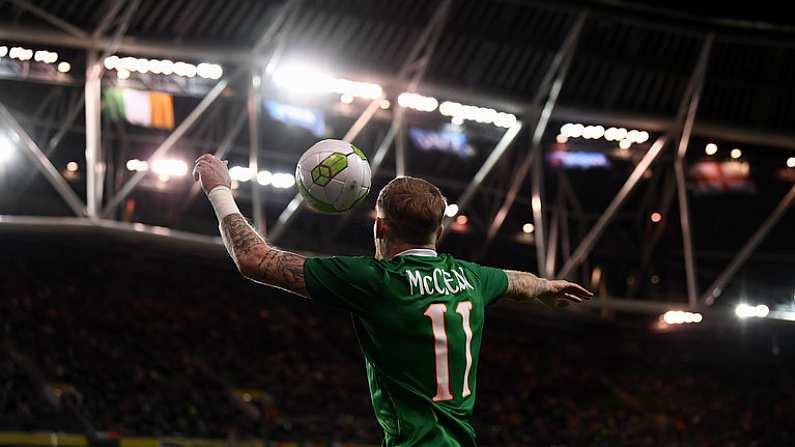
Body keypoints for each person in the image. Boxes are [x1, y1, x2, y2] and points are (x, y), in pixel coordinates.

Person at [193, 153, 593, 446]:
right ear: (440, 229)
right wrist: (545, 286)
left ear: (381, 226)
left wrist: (219, 190)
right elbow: (515, 281)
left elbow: (254, 259)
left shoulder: (376, 281)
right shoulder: (471, 278)